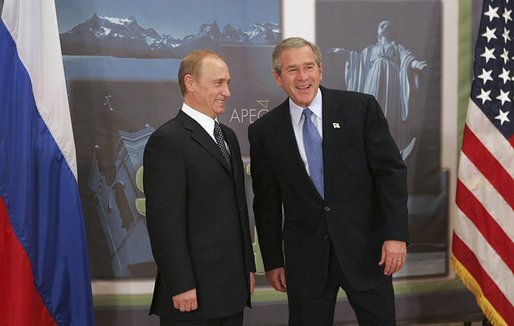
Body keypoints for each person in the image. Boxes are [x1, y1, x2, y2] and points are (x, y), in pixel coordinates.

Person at [248, 37, 409, 325]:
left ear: (320, 70)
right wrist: (273, 261)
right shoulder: (264, 131)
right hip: (306, 258)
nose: (302, 77)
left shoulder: (360, 109)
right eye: (292, 70)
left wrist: (395, 235)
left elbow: (390, 174)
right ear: (277, 77)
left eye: (309, 67)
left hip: (366, 250)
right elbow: (267, 202)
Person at [144, 49, 256, 326]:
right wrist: (180, 283)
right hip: (192, 295)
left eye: (228, 82)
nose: (227, 92)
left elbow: (238, 210)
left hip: (232, 287)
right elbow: (164, 223)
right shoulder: (167, 140)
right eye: (219, 83)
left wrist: (247, 268)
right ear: (190, 82)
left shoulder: (228, 136)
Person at [330, 20, 427, 159]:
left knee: (389, 111)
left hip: (391, 78)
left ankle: (389, 146)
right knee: (371, 108)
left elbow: (408, 58)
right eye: (380, 24)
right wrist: (346, 54)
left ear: (391, 29)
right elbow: (358, 61)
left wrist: (417, 64)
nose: (382, 26)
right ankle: (369, 146)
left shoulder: (397, 47)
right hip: (373, 77)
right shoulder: (370, 49)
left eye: (386, 24)